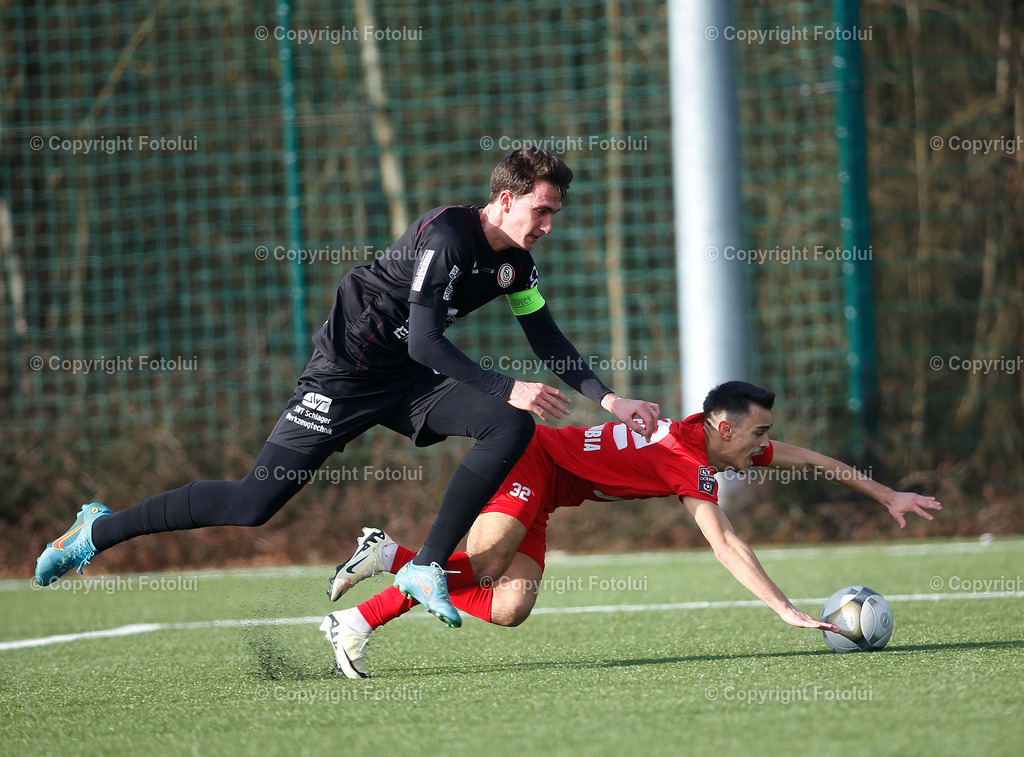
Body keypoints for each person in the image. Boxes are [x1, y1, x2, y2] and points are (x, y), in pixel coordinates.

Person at [34, 147, 660, 629]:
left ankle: (424, 567)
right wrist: (504, 385)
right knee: (252, 505)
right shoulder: (446, 237)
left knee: (509, 424)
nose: (549, 224)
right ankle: (96, 530)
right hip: (346, 377)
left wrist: (609, 399)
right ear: (503, 199)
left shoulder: (514, 264)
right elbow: (424, 340)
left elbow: (545, 337)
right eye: (541, 210)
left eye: (555, 213)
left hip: (411, 381)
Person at [320, 380, 941, 678]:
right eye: (759, 432)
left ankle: (390, 557)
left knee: (510, 606)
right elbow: (724, 542)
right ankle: (358, 620)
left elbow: (813, 460)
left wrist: (890, 495)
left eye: (768, 432)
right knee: (481, 569)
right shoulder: (687, 458)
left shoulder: (715, 443)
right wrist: (782, 608)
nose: (768, 443)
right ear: (724, 429)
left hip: (555, 487)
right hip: (530, 458)